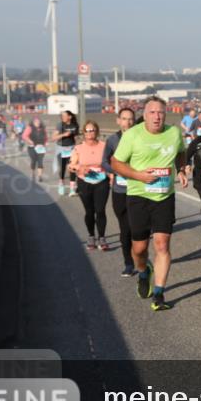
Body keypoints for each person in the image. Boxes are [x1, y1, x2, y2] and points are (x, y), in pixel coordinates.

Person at [110, 96, 188, 311]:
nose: (157, 116)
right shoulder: (132, 135)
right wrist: (137, 175)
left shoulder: (173, 133)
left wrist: (181, 169)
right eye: (152, 112)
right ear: (144, 115)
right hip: (138, 196)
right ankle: (144, 271)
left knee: (162, 244)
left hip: (164, 197)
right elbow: (115, 162)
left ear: (166, 114)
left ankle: (159, 294)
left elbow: (182, 152)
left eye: (161, 112)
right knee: (139, 248)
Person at [103, 108, 137, 276]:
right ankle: (128, 263)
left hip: (139, 190)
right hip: (120, 190)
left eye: (131, 119)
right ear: (118, 120)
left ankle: (140, 256)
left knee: (137, 228)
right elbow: (104, 162)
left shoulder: (141, 138)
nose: (127, 122)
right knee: (125, 229)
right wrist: (118, 171)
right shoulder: (112, 140)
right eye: (124, 119)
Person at [69, 120, 111, 251]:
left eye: (92, 130)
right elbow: (71, 165)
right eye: (87, 130)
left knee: (100, 210)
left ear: (97, 131)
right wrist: (80, 167)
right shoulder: (79, 148)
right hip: (84, 182)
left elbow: (112, 162)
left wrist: (111, 175)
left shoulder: (104, 146)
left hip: (101, 181)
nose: (89, 133)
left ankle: (102, 238)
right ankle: (91, 236)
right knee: (89, 211)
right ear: (83, 133)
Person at [53, 110, 79, 196]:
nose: (62, 117)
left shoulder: (75, 125)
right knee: (62, 168)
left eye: (64, 115)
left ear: (69, 116)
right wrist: (64, 135)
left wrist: (78, 147)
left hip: (71, 148)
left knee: (72, 167)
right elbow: (53, 137)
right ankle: (61, 184)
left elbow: (76, 138)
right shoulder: (60, 125)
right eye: (62, 116)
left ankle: (72, 189)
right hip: (61, 149)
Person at [22, 116, 49, 182]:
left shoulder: (43, 128)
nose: (38, 123)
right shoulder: (29, 128)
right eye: (36, 122)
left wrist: (46, 142)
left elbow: (46, 136)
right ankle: (33, 173)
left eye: (39, 122)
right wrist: (29, 141)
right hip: (32, 147)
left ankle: (40, 176)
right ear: (33, 122)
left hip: (41, 147)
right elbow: (24, 136)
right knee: (33, 161)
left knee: (40, 161)